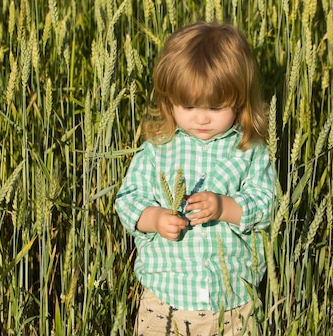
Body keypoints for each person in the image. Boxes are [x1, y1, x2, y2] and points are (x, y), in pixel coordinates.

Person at [115, 22, 275, 336]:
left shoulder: (249, 151)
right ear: (168, 99)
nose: (201, 118)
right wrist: (156, 218)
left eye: (216, 107)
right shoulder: (156, 151)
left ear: (239, 98)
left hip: (233, 304)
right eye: (188, 106)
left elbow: (267, 204)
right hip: (164, 303)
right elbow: (128, 202)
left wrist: (224, 207)